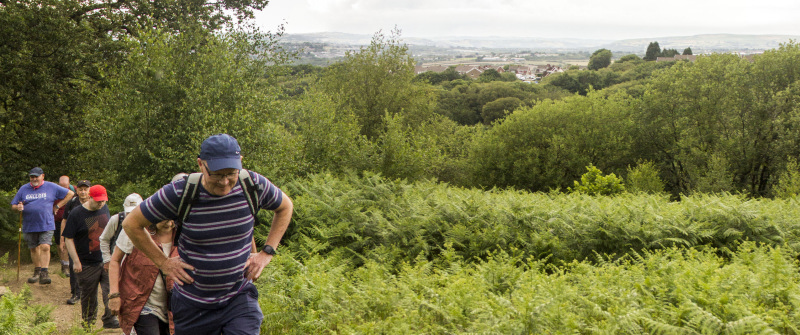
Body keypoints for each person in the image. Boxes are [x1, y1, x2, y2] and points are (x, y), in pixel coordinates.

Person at [123, 133, 294, 334]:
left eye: (231, 173)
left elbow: (285, 207)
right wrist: (164, 263)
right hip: (192, 304)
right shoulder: (180, 193)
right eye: (217, 174)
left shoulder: (253, 185)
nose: (224, 182)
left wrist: (267, 253)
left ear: (240, 163)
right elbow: (131, 224)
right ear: (200, 164)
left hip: (238, 297)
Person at [64, 184, 120, 329]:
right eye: (98, 201)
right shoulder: (76, 214)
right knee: (89, 296)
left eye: (103, 201)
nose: (101, 203)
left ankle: (109, 318)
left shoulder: (105, 208)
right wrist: (76, 261)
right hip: (86, 263)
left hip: (106, 259)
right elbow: (68, 238)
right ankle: (88, 324)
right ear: (90, 197)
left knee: (110, 291)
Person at [109, 219, 178, 335]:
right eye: (164, 219)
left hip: (175, 307)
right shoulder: (135, 229)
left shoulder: (185, 234)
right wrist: (114, 295)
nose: (169, 223)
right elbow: (115, 261)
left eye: (172, 219)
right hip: (142, 303)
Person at [10, 167, 75, 285]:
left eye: (36, 176)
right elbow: (13, 205)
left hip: (47, 223)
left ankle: (45, 273)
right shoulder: (24, 189)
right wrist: (18, 208)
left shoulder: (51, 186)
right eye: (32, 177)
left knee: (45, 246)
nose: (34, 179)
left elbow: (70, 193)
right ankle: (37, 271)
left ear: (42, 176)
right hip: (29, 224)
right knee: (34, 248)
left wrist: (57, 206)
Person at [62, 179, 91, 305]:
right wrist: (62, 238)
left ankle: (88, 292)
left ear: (89, 190)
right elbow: (64, 220)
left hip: (90, 240)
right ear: (77, 190)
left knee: (90, 267)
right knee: (74, 266)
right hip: (73, 239)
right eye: (81, 189)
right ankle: (75, 293)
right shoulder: (72, 202)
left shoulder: (95, 203)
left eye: (85, 189)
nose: (83, 192)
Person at [100, 193, 143, 270]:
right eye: (128, 212)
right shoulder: (116, 220)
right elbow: (104, 239)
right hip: (118, 264)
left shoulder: (147, 222)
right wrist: (107, 260)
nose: (131, 215)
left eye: (134, 211)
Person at [55, 175, 76, 276]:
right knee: (60, 244)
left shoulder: (75, 190)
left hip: (71, 220)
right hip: (57, 221)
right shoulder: (54, 191)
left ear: (69, 184)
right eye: (61, 186)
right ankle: (64, 265)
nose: (63, 188)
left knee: (69, 242)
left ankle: (68, 265)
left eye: (65, 186)